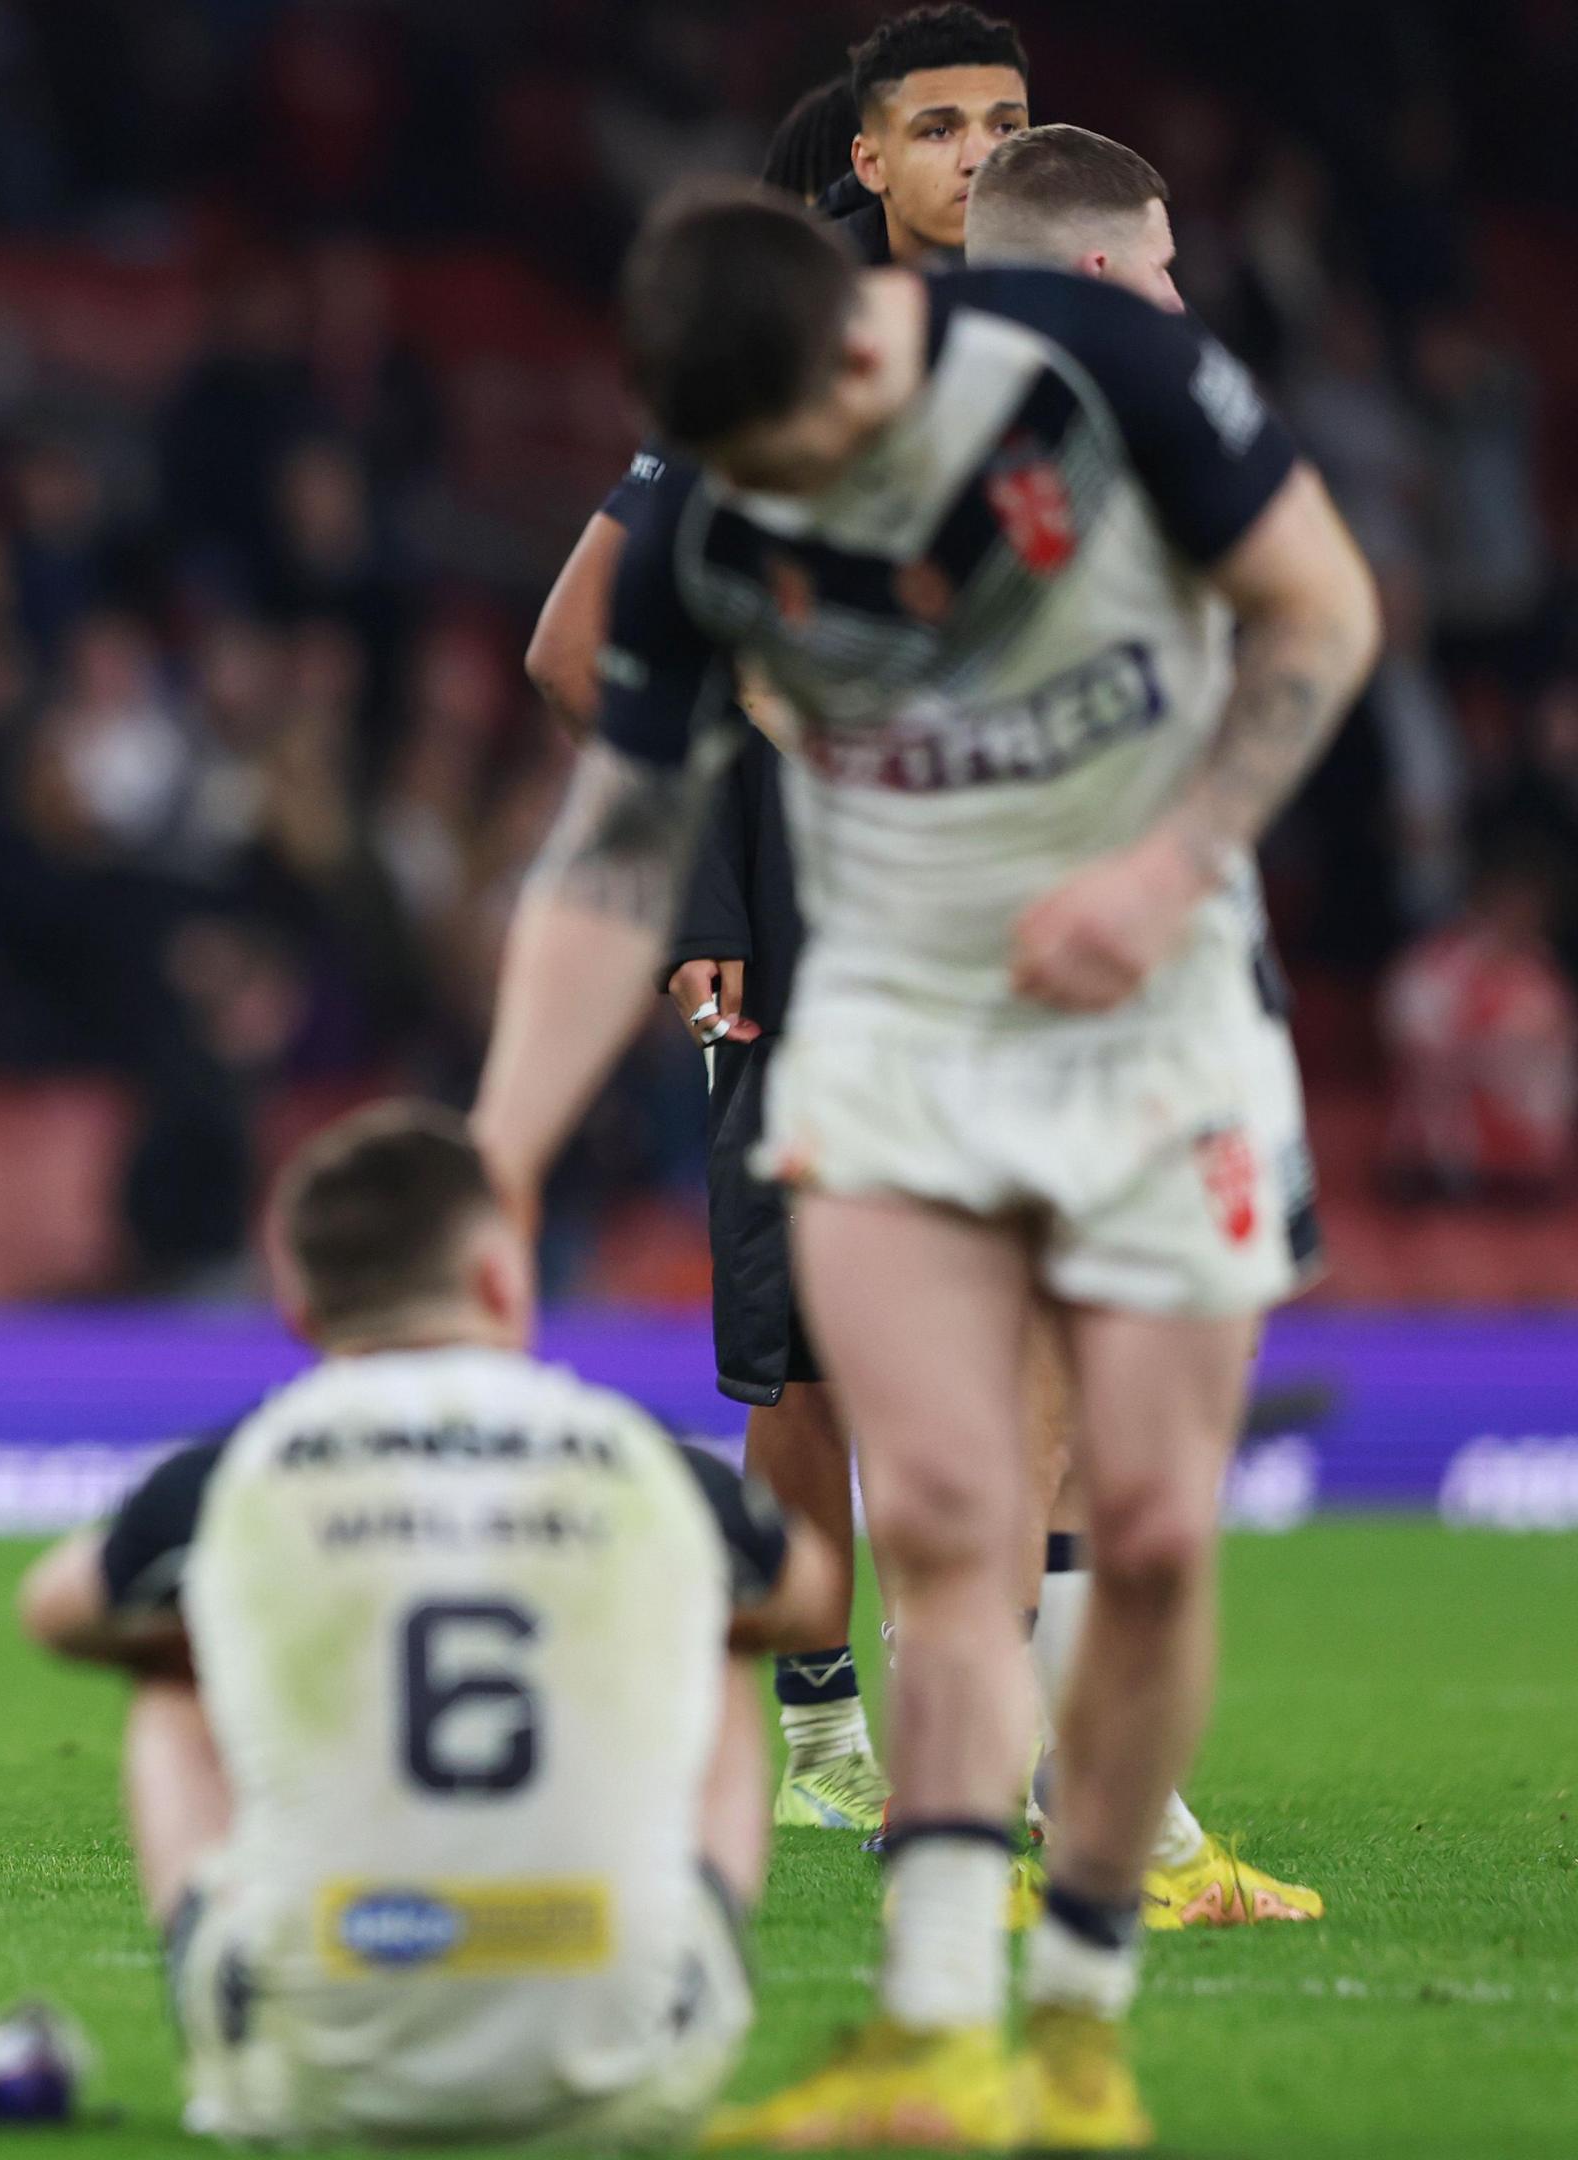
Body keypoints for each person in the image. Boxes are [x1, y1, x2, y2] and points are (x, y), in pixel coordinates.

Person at [473, 186, 1376, 2146]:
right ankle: (939, 2024)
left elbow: (1325, 612)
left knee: (1138, 1533)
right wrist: (501, 1147)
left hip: (1149, 1017)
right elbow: (614, 850)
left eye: (805, 455)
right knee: (950, 1527)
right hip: (890, 1033)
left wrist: (1168, 863)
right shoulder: (715, 505)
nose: (784, 502)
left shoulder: (1096, 368)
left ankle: (1080, 2018)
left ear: (860, 348)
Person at [521, 9, 1031, 1836]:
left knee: (1032, 1337)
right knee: (808, 1357)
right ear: (875, 161)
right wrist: (707, 869)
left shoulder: (1094, 343)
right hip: (809, 934)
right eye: (945, 126)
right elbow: (583, 651)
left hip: (1031, 934)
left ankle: (1019, 1747)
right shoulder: (771, 359)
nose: (984, 156)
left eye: (1009, 124)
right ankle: (822, 1738)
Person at [17, 1104, 843, 2149]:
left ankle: (251, 1985)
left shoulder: (244, 1468)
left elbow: (52, 1610)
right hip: (625, 2080)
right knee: (725, 1621)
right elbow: (811, 1597)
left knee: (168, 1659)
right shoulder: (637, 1455)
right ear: (502, 1279)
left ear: (301, 1311)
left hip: (317, 2091)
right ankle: (681, 1948)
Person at [963, 120, 1324, 1931]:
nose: (1184, 288)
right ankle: (1108, 1845)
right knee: (1110, 1443)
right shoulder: (1145, 396)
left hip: (935, 986)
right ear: (1104, 270)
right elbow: (1319, 620)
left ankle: (1052, 1835)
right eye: (1165, 257)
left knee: (1015, 1436)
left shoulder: (866, 405)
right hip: (1127, 984)